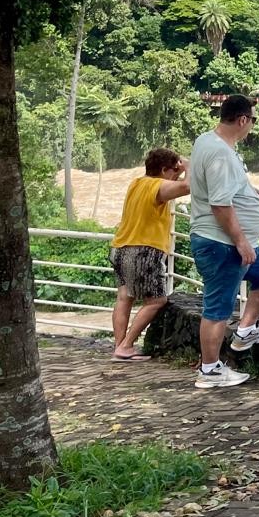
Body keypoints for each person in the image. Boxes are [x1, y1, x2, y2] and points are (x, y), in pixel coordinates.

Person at [188, 94, 259, 389]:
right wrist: (241, 241)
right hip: (222, 243)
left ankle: (246, 330)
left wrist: (255, 193)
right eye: (253, 120)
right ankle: (209, 371)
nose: (252, 125)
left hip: (226, 242)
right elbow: (220, 204)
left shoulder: (208, 141)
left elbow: (229, 185)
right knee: (218, 307)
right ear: (243, 119)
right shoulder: (220, 153)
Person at [108, 148, 191, 361]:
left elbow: (173, 186)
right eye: (174, 170)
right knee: (156, 300)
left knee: (124, 297)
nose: (177, 175)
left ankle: (120, 347)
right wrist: (189, 167)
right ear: (163, 170)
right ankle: (127, 345)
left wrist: (178, 170)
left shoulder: (137, 183)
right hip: (144, 251)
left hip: (120, 247)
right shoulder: (158, 186)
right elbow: (187, 186)